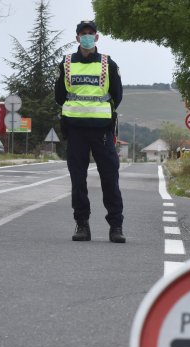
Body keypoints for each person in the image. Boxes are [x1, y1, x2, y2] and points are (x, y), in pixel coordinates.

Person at [55, 19, 125, 243]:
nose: (86, 36)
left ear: (96, 37)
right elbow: (59, 96)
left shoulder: (108, 64)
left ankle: (116, 227)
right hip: (75, 130)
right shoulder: (66, 63)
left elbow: (117, 95)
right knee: (78, 181)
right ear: (77, 38)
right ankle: (82, 225)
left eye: (90, 33)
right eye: (82, 33)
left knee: (109, 179)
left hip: (102, 131)